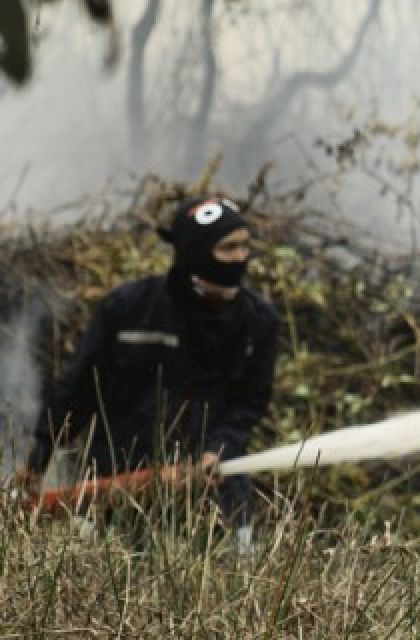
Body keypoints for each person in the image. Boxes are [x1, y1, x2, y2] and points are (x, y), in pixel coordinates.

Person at [20, 196, 279, 547]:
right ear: (196, 253)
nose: (241, 257)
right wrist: (38, 459)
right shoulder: (129, 309)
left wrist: (216, 450)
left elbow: (248, 404)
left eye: (246, 246)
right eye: (228, 248)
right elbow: (77, 389)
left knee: (231, 581)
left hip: (215, 495)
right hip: (116, 486)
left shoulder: (258, 322)